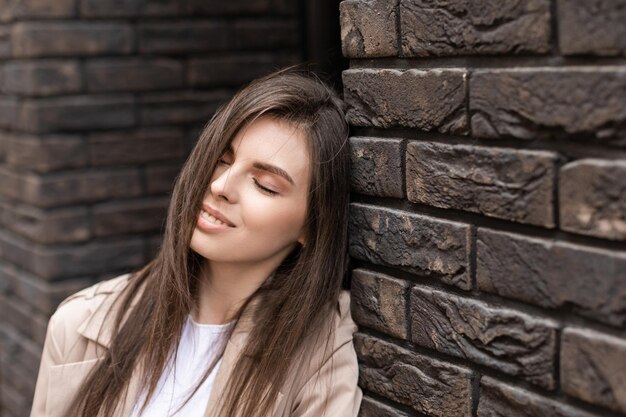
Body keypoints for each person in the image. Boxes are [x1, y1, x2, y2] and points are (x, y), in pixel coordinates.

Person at [29, 68, 361, 417]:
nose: (220, 185)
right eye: (222, 159)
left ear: (311, 226)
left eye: (264, 184)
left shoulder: (322, 349)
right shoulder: (79, 324)